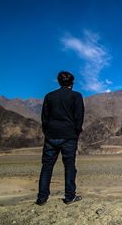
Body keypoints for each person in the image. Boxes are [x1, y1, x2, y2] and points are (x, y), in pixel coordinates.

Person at [36, 71, 85, 206]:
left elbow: (44, 118)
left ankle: (42, 198)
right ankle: (69, 197)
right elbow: (79, 118)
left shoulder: (49, 97)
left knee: (47, 167)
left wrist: (48, 132)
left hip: (51, 136)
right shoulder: (76, 96)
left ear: (59, 82)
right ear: (71, 83)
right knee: (69, 167)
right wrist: (75, 133)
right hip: (69, 137)